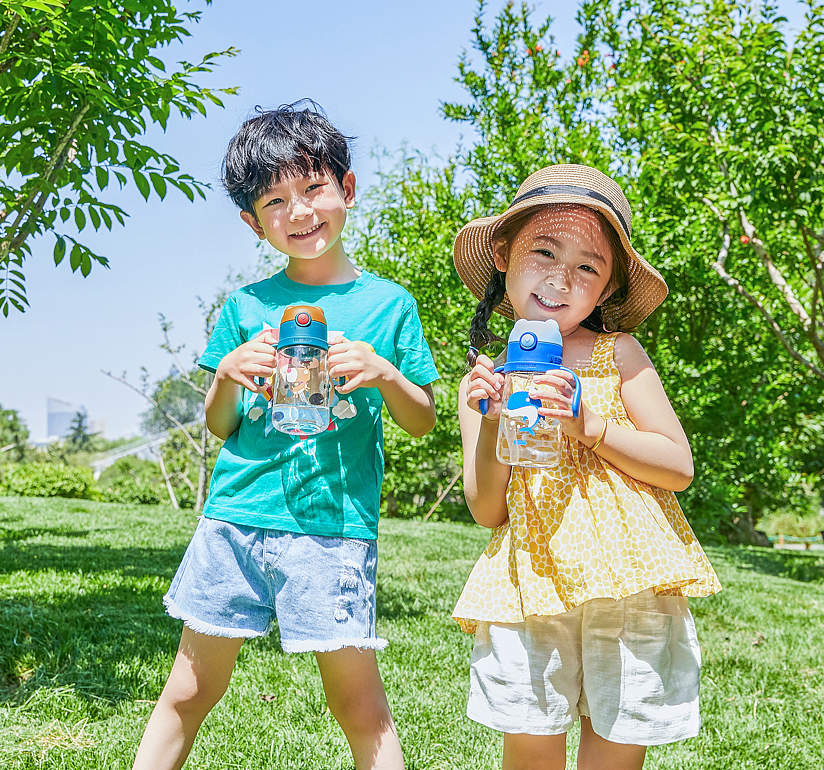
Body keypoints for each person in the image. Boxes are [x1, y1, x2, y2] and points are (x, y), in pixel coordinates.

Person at [130, 102, 439, 770]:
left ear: (346, 189)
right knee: (187, 690)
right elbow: (220, 425)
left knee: (359, 706)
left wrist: (385, 373)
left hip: (332, 525)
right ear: (253, 221)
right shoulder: (245, 308)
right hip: (235, 518)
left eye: (313, 188)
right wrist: (229, 377)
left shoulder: (390, 305)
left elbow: (422, 419)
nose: (298, 213)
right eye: (275, 201)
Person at [453, 164, 721, 770]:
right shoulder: (486, 380)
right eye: (544, 251)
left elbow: (677, 465)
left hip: (628, 578)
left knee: (617, 738)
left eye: (587, 266)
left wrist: (591, 425)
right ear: (502, 253)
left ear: (605, 290)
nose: (560, 277)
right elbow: (487, 508)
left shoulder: (617, 354)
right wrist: (492, 417)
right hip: (531, 578)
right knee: (530, 737)